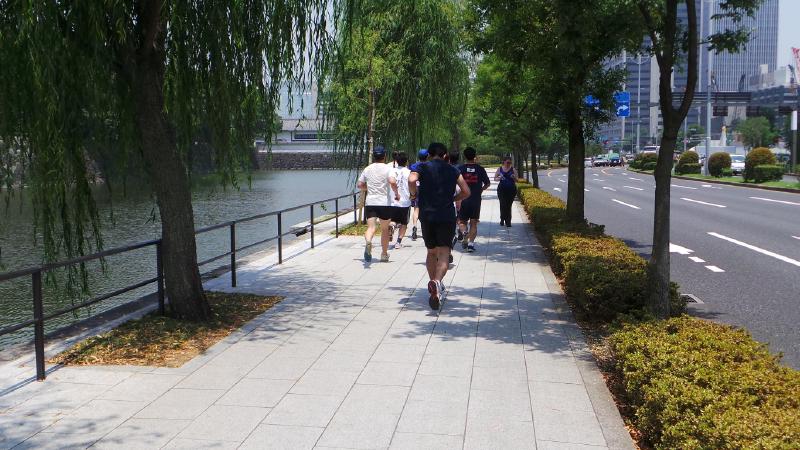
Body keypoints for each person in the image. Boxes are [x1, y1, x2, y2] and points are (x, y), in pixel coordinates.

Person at [409, 142, 470, 310]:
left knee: (431, 252)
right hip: (446, 216)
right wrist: (453, 199)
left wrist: (414, 194)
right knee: (444, 252)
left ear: (429, 154)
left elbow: (411, 179)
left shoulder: (422, 167)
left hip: (427, 215)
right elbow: (466, 192)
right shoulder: (452, 170)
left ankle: (434, 289)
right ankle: (437, 282)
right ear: (444, 155)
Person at [357, 146, 397, 262]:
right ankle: (384, 254)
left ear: (374, 156)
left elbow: (359, 185)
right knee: (385, 229)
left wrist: (368, 188)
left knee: (371, 227)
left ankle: (368, 241)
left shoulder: (367, 169)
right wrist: (396, 192)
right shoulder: (388, 168)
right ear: (384, 156)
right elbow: (392, 181)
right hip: (385, 202)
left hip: (370, 202)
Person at [457, 147, 491, 252]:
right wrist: (480, 190)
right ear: (474, 156)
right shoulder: (480, 169)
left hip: (463, 199)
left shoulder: (460, 169)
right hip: (476, 200)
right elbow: (487, 183)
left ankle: (464, 233)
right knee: (473, 222)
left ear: (464, 156)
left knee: (461, 222)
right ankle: (471, 244)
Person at [388, 152, 412, 249]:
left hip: (393, 201)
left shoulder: (392, 171)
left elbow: (390, 182)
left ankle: (392, 225)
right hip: (405, 201)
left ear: (396, 162)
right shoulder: (409, 172)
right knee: (404, 223)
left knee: (393, 219)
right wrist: (413, 195)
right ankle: (398, 242)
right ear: (406, 162)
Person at [408, 149, 428, 241]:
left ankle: (415, 226)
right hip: (425, 190)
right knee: (425, 210)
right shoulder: (429, 166)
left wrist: (412, 193)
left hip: (416, 189)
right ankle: (425, 229)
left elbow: (411, 178)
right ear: (427, 156)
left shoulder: (413, 166)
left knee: (416, 209)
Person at [495, 156, 518, 227]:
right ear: (504, 162)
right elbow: (495, 178)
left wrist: (514, 177)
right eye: (507, 162)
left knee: (508, 205)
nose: (509, 164)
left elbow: (517, 180)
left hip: (511, 190)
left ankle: (508, 221)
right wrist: (499, 178)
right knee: (502, 204)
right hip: (501, 190)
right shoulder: (499, 169)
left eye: (510, 163)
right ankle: (502, 219)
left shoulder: (513, 169)